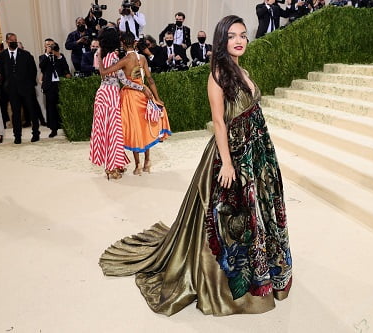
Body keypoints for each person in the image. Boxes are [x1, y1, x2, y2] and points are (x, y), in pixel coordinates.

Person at [99, 15, 292, 316]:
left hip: (256, 152)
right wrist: (227, 164)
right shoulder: (217, 73)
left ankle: (265, 270)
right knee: (227, 219)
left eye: (242, 35)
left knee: (257, 212)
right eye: (232, 36)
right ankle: (231, 282)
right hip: (232, 154)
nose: (239, 40)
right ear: (221, 40)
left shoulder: (243, 69)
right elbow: (218, 121)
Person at [98, 32, 172, 175]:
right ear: (134, 43)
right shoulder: (142, 58)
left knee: (134, 130)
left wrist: (100, 58)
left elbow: (105, 72)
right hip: (144, 95)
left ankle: (138, 165)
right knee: (145, 127)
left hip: (130, 97)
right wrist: (157, 97)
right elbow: (150, 80)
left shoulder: (124, 60)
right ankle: (147, 161)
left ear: (123, 43)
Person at [89, 27, 149, 180]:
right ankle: (113, 168)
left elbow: (100, 71)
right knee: (114, 132)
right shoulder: (114, 58)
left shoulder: (99, 54)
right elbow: (123, 80)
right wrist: (141, 87)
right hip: (112, 95)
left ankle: (112, 165)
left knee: (103, 130)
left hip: (101, 93)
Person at [0, 33, 40, 144]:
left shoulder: (26, 54)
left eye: (15, 40)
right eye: (12, 40)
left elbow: (33, 70)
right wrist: (7, 84)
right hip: (12, 89)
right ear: (7, 41)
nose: (14, 42)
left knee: (31, 111)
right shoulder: (2, 55)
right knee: (15, 113)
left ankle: (36, 133)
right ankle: (17, 136)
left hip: (27, 88)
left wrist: (30, 84)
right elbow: (1, 71)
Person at [39, 40, 71, 138]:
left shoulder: (59, 56)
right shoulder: (43, 57)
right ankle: (53, 129)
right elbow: (42, 67)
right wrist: (48, 54)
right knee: (51, 107)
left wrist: (58, 55)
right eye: (48, 45)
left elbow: (65, 67)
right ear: (45, 46)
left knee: (62, 105)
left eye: (52, 45)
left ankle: (65, 127)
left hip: (60, 83)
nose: (50, 46)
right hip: (50, 85)